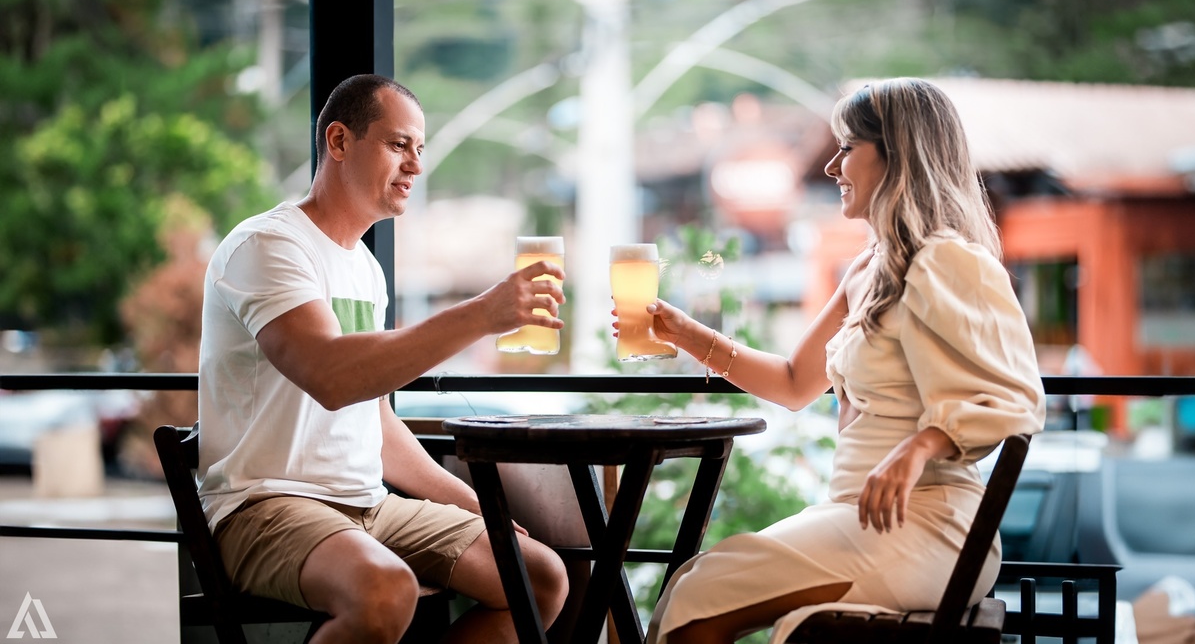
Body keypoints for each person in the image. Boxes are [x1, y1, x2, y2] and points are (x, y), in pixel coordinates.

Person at [639, 78, 1047, 644]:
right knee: (694, 585)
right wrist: (686, 334)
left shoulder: (949, 260)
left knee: (699, 602)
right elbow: (791, 382)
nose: (832, 167)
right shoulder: (869, 269)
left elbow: (1015, 396)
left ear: (898, 156)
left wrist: (919, 447)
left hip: (928, 525)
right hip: (859, 516)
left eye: (849, 148)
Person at [196, 74, 569, 644]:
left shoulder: (364, 268)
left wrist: (477, 505)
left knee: (539, 577)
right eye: (399, 145)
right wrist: (481, 314)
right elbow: (330, 375)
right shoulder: (267, 246)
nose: (416, 165)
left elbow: (374, 418)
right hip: (262, 505)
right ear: (339, 141)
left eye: (420, 149)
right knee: (384, 590)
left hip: (368, 506)